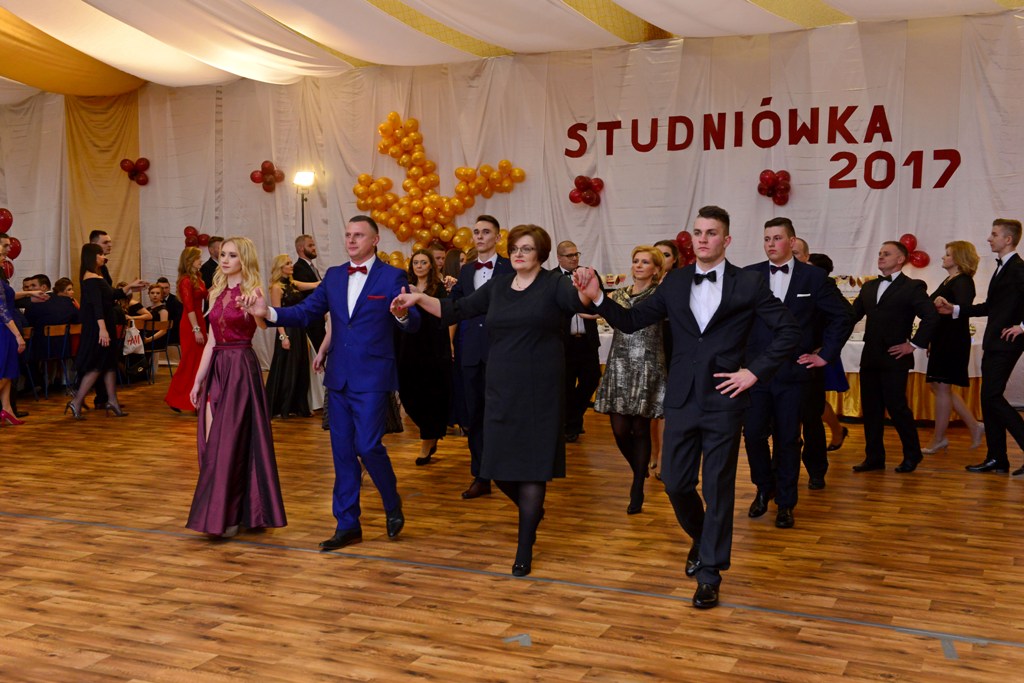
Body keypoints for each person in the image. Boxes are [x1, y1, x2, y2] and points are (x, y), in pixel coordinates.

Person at [574, 205, 801, 610]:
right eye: (698, 232)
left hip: (724, 399)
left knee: (717, 488)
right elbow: (631, 320)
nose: (703, 239)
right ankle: (702, 537)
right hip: (680, 398)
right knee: (676, 483)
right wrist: (598, 297)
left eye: (711, 233)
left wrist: (754, 372)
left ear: (726, 240)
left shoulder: (748, 283)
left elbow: (789, 330)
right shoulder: (675, 281)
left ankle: (710, 573)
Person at [393, 224, 591, 577]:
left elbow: (578, 302)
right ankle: (532, 511)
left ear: (541, 254)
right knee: (494, 467)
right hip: (501, 389)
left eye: (527, 248)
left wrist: (587, 289)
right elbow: (456, 309)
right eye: (515, 248)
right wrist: (419, 299)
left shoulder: (553, 284)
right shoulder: (499, 286)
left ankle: (524, 545)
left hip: (540, 391)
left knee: (532, 470)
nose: (518, 254)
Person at [244, 215, 420, 550]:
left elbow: (413, 323)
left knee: (368, 446)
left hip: (373, 376)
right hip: (338, 377)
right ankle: (347, 524)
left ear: (375, 240)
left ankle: (391, 500)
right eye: (348, 234)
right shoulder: (335, 276)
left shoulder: (392, 276)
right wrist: (268, 313)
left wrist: (401, 314)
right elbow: (306, 312)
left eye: (358, 235)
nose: (351, 240)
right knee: (342, 453)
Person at [742, 218, 853, 528]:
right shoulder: (749, 275)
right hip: (756, 372)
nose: (770, 244)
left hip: (794, 372)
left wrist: (825, 354)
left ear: (791, 242)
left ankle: (786, 503)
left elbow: (843, 316)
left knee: (788, 439)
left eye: (777, 238)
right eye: (766, 238)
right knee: (753, 435)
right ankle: (764, 488)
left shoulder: (814, 277)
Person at [186, 237, 286, 538]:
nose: (225, 260)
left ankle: (229, 516)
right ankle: (220, 512)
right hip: (218, 367)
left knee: (231, 442)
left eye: (232, 255)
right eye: (223, 255)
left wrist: (257, 310)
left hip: (241, 367)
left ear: (244, 260)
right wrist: (198, 379)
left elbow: (263, 326)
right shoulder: (215, 292)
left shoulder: (253, 291)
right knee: (212, 443)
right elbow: (211, 340)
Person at [936, 218, 1024, 474]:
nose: (989, 238)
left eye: (994, 234)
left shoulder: (1018, 268)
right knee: (988, 400)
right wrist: (955, 310)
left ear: (1008, 239)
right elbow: (990, 307)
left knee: (992, 397)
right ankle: (997, 458)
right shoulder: (1002, 269)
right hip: (994, 342)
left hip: (1007, 342)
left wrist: (1022, 326)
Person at [850, 241, 939, 473]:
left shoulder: (912, 287)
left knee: (897, 408)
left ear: (900, 259)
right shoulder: (869, 287)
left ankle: (913, 454)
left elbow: (931, 316)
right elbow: (850, 316)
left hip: (894, 358)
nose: (880, 257)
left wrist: (914, 345)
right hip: (870, 356)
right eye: (880, 253)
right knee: (871, 409)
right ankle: (874, 457)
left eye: (886, 254)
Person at [592, 245, 666, 514]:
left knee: (640, 428)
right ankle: (638, 468)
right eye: (636, 261)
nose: (639, 265)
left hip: (647, 365)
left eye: (645, 262)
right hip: (620, 365)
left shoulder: (660, 295)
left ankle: (637, 487)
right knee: (620, 430)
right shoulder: (619, 294)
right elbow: (595, 311)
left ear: (655, 269)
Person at [450, 215, 513, 500]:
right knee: (474, 415)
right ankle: (481, 475)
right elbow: (456, 306)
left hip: (502, 352)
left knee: (502, 414)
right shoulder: (466, 271)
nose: (479, 236)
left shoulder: (510, 268)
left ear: (498, 238)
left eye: (486, 232)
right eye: (476, 232)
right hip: (472, 352)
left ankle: (508, 471)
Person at [922, 241, 983, 453]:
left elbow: (962, 309)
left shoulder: (963, 281)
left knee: (941, 387)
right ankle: (974, 426)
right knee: (938, 386)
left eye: (947, 254)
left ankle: (939, 438)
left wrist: (943, 304)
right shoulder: (951, 280)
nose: (943, 257)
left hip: (952, 339)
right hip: (943, 337)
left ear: (958, 258)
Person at [397, 249, 453, 465]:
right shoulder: (404, 287)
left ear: (431, 265)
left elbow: (447, 316)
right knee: (408, 394)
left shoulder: (439, 288)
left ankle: (428, 439)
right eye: (416, 262)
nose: (419, 266)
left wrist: (450, 342)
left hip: (434, 346)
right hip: (409, 345)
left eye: (423, 262)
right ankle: (430, 432)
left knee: (432, 394)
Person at [64, 243, 128, 420]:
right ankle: (77, 401)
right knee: (97, 365)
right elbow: (96, 306)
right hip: (98, 327)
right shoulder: (90, 278)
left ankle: (112, 401)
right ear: (91, 257)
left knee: (109, 364)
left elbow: (111, 295)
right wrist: (103, 329)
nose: (103, 257)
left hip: (104, 324)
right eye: (100, 254)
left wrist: (130, 287)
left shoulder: (98, 276)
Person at [556, 240, 601, 444]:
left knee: (591, 380)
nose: (574, 258)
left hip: (587, 341)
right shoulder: (552, 278)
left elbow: (600, 301)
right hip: (563, 343)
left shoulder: (590, 274)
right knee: (564, 386)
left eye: (576, 254)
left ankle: (572, 419)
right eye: (569, 255)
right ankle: (572, 425)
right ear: (559, 258)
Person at [264, 254, 318, 418]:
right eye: (287, 263)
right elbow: (276, 314)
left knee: (301, 366)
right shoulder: (276, 287)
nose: (291, 265)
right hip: (287, 330)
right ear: (280, 267)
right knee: (287, 368)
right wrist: (283, 337)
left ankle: (298, 406)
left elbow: (315, 284)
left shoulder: (293, 284)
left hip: (299, 330)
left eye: (290, 263)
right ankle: (283, 406)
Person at [652, 239, 683, 476]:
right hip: (650, 341)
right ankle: (653, 452)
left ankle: (664, 454)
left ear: (674, 260)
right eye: (658, 254)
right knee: (650, 404)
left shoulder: (681, 282)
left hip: (672, 340)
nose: (662, 259)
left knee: (665, 402)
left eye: (666, 255)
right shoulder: (645, 280)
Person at [165, 247, 208, 412]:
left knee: (199, 361)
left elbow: (205, 296)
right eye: (198, 258)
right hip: (191, 323)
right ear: (190, 260)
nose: (200, 260)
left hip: (199, 320)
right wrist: (196, 329)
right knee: (189, 361)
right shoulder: (186, 281)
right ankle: (176, 397)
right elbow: (189, 307)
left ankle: (195, 398)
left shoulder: (197, 278)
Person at [0, 233, 27, 426]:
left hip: (6, 327)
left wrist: (30, 293)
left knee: (8, 371)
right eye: (5, 246)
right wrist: (18, 335)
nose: (9, 249)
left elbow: (7, 297)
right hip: (3, 328)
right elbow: (1, 309)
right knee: (3, 371)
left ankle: (7, 409)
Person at [292, 234, 326, 352]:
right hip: (310, 318)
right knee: (316, 351)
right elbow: (307, 295)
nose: (314, 248)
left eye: (314, 245)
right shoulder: (298, 268)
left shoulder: (313, 268)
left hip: (317, 317)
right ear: (301, 248)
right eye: (310, 245)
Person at [157, 276, 183, 345]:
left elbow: (177, 321)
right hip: (158, 332)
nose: (164, 290)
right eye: (162, 288)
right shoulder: (155, 300)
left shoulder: (177, 301)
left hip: (171, 335)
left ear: (169, 288)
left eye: (166, 288)